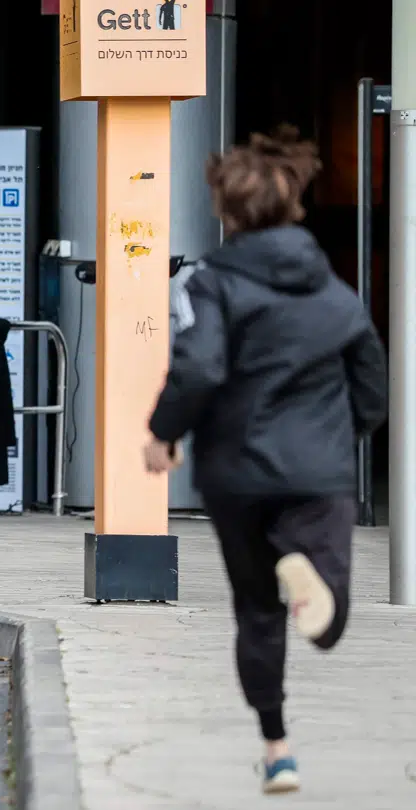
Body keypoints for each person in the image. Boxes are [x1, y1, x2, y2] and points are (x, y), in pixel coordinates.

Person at [142, 126, 387, 795]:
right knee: (325, 616)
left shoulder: (211, 283)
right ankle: (316, 580)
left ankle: (278, 749)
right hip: (318, 473)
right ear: (294, 205)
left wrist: (162, 434)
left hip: (237, 474)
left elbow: (199, 368)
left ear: (227, 212)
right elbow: (372, 382)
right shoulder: (335, 294)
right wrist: (342, 440)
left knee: (257, 610)